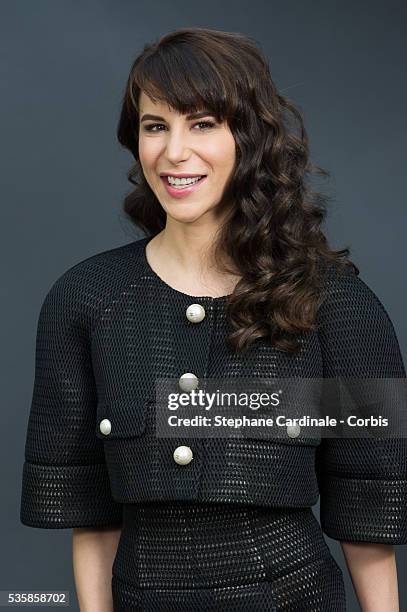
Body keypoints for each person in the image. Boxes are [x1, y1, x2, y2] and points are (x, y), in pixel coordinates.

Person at [20, 27, 406, 611]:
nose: (175, 151)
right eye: (156, 126)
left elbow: (366, 507)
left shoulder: (334, 303)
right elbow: (89, 516)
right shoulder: (86, 299)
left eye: (202, 124)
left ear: (248, 138)